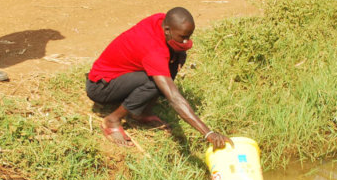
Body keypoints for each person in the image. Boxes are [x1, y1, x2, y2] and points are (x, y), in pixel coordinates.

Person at [86, 8, 231, 149]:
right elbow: (174, 97)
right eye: (183, 37)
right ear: (167, 30)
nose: (187, 42)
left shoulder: (161, 20)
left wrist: (180, 53)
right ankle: (112, 121)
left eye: (189, 36)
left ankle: (141, 112)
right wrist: (208, 133)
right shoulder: (154, 51)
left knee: (174, 59)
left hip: (123, 76)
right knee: (155, 83)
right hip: (100, 87)